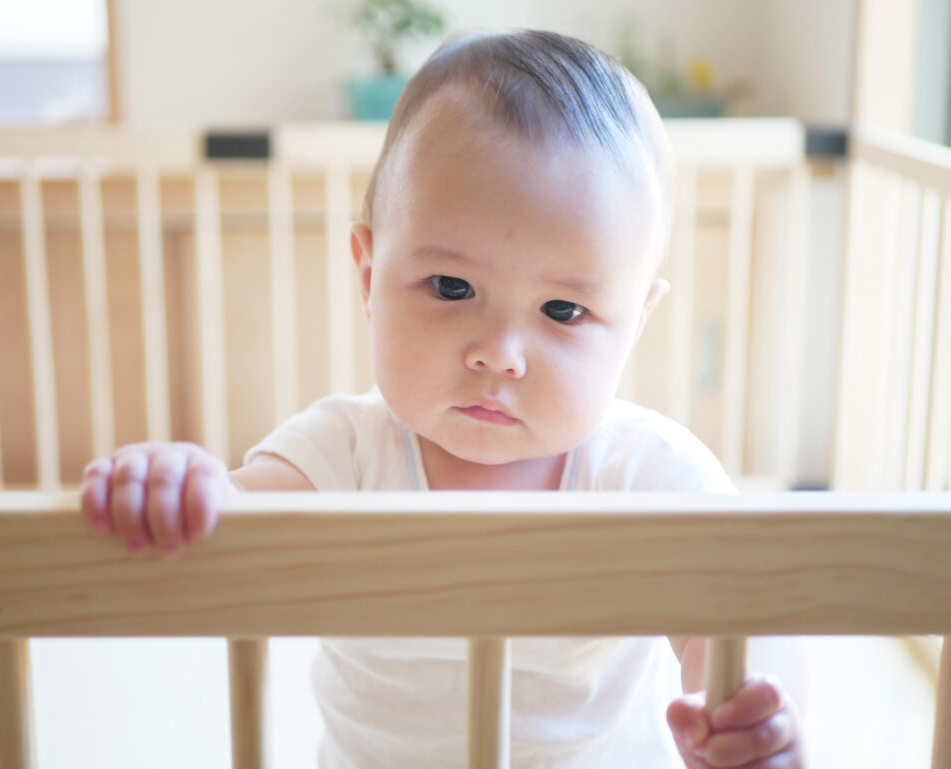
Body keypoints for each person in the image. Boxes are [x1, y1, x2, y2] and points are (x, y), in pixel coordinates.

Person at [81, 29, 808, 769]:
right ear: (369, 277)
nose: (500, 351)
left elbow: (741, 608)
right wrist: (179, 482)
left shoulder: (650, 474)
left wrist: (752, 713)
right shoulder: (344, 451)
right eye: (452, 288)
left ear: (635, 323)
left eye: (563, 310)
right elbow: (228, 527)